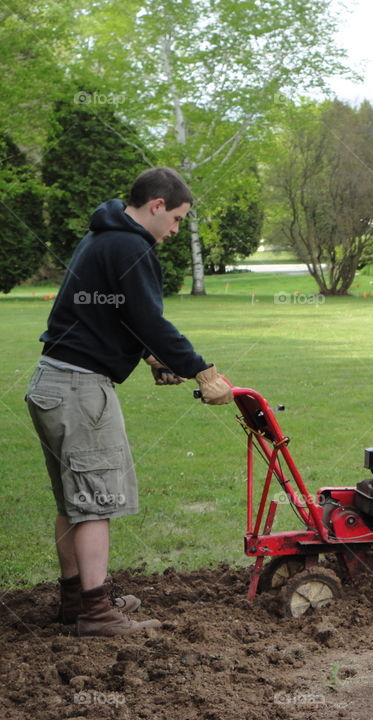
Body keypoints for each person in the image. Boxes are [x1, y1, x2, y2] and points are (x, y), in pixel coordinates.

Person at [25, 167, 232, 637]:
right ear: (157, 205)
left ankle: (75, 599)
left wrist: (148, 356)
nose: (175, 230)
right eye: (177, 219)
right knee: (97, 503)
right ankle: (97, 614)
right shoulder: (131, 246)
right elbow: (149, 319)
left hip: (51, 382)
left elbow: (113, 316)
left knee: (73, 502)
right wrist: (201, 369)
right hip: (80, 389)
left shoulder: (103, 236)